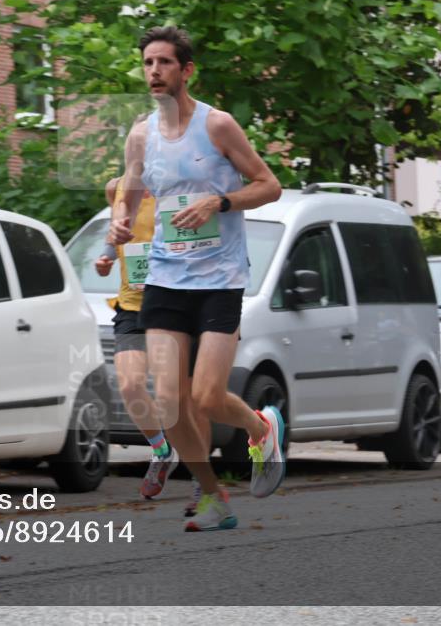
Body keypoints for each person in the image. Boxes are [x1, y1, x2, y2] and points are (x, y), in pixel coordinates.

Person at [110, 26, 285, 532]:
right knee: (168, 403)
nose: (154, 71)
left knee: (207, 397)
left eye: (164, 62)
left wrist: (219, 201)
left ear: (186, 70)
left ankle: (260, 428)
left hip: (219, 277)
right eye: (148, 62)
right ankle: (213, 497)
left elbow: (269, 185)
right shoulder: (141, 134)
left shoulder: (218, 126)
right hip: (166, 276)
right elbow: (130, 189)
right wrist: (122, 218)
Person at [95, 176, 251, 516]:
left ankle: (201, 482)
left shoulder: (186, 187)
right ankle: (161, 449)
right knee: (130, 384)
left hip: (179, 301)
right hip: (133, 304)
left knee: (193, 401)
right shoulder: (117, 188)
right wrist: (106, 257)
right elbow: (118, 231)